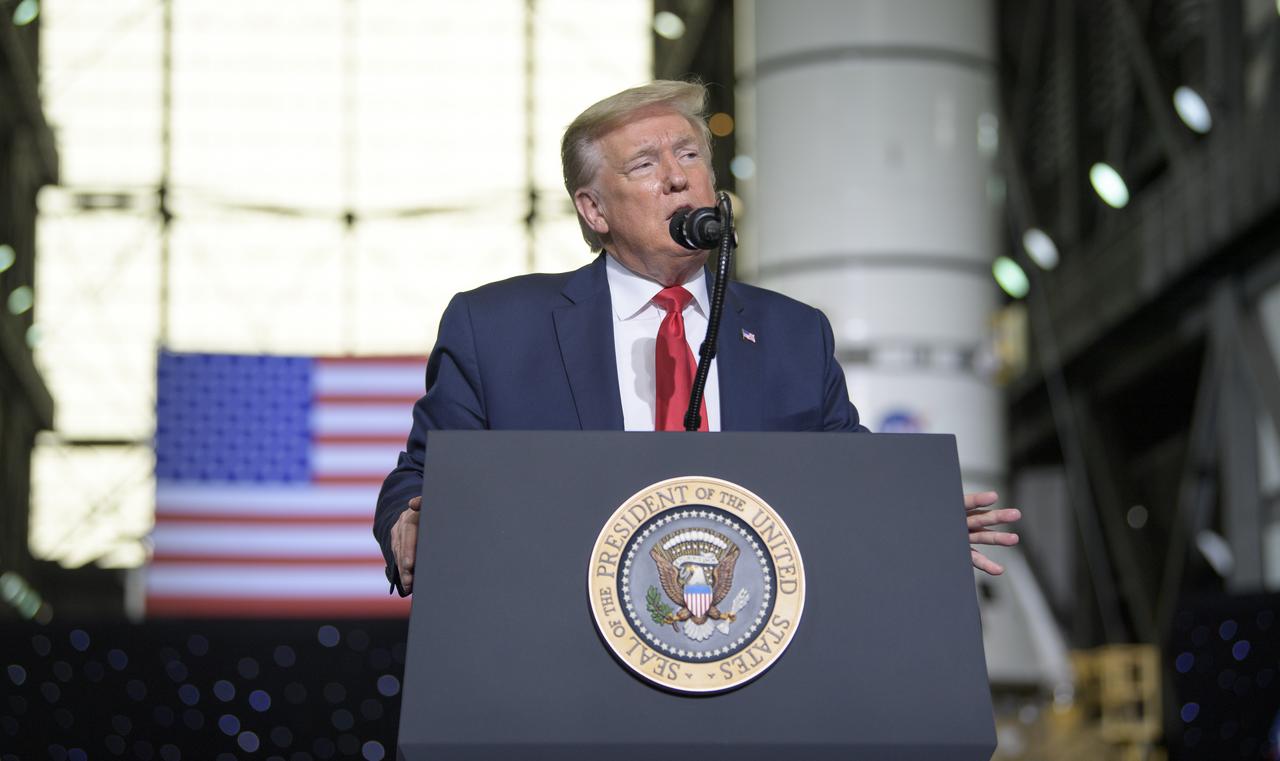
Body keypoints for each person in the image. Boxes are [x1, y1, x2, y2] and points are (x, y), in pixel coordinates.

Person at [374, 80, 1020, 595]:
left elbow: (843, 475)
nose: (678, 177)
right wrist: (412, 520)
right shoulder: (497, 327)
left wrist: (914, 517)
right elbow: (422, 477)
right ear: (594, 210)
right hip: (556, 651)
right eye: (646, 164)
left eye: (689, 155)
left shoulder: (794, 334)